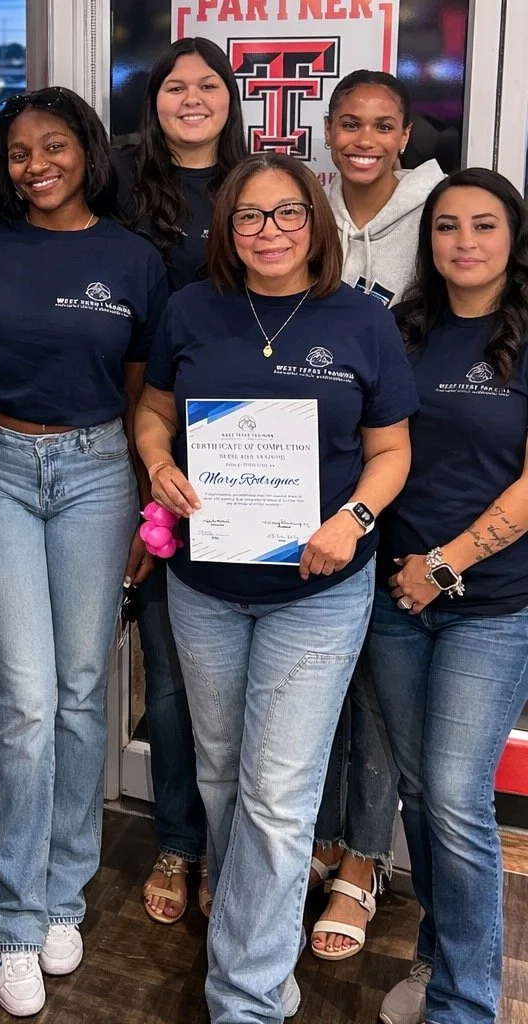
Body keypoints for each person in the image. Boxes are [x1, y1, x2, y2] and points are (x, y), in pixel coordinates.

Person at [135, 152, 418, 1024]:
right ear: (226, 227)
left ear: (316, 220)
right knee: (222, 774)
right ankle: (258, 944)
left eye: (287, 214)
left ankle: (247, 997)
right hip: (206, 584)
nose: (268, 232)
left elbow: (392, 450)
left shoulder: (362, 322)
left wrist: (355, 523)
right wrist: (157, 462)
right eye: (249, 216)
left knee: (278, 791)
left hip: (318, 591)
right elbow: (152, 410)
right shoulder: (191, 310)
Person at [0, 86, 168, 1017]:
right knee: (28, 698)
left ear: (86, 150)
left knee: (82, 690)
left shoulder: (133, 258)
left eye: (53, 146)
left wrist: (143, 509)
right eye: (18, 151)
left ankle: (65, 892)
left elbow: (138, 391)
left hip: (97, 474)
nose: (35, 164)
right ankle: (14, 917)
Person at [369, 168, 528, 1024]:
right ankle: (437, 954)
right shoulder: (405, 327)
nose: (464, 242)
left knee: (459, 794)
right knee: (422, 791)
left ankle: (468, 1004)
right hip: (398, 597)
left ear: (513, 237)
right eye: (446, 227)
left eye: (484, 225)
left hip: (494, 603)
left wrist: (448, 564)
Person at [311, 69, 446, 961]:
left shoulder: (439, 215)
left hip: (412, 480)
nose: (363, 138)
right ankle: (324, 838)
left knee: (374, 691)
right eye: (348, 123)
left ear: (405, 135)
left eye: (382, 125)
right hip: (318, 486)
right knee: (319, 679)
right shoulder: (308, 211)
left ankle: (365, 860)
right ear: (328, 129)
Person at [113, 35, 247, 925]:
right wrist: (142, 476)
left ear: (232, 98)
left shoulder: (261, 186)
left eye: (207, 85)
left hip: (253, 460)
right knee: (166, 678)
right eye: (175, 86)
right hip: (145, 443)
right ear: (154, 100)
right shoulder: (118, 182)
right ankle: (177, 840)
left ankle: (243, 855)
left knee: (242, 684)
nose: (191, 98)